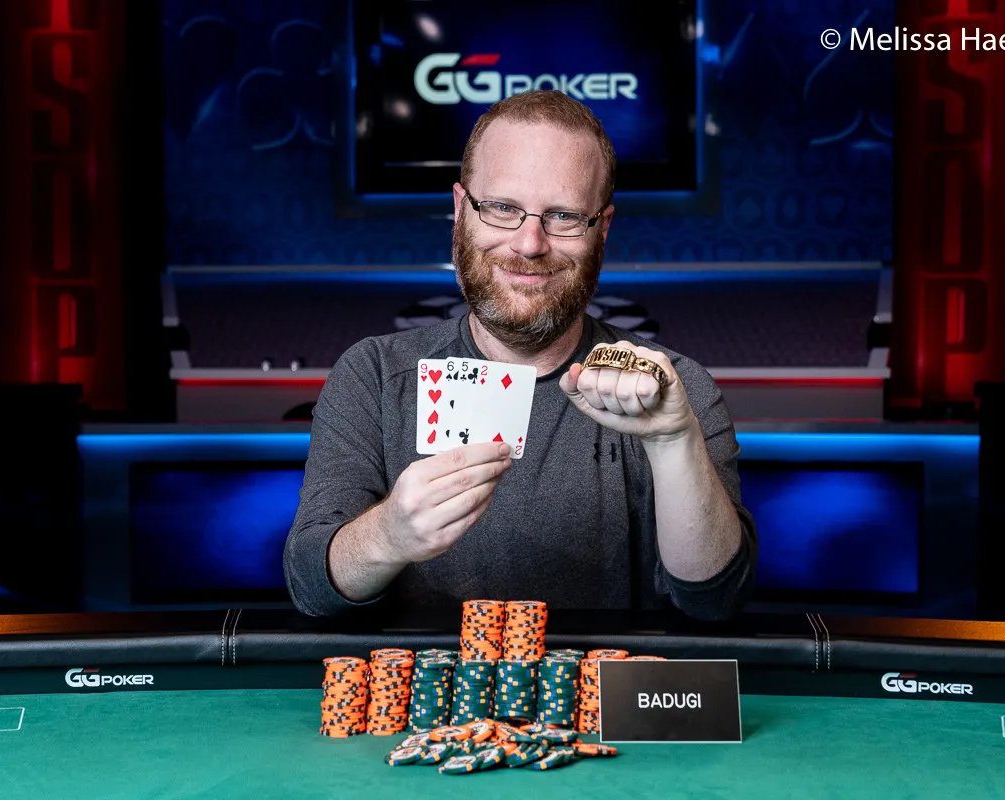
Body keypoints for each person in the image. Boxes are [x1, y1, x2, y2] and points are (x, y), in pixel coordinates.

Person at [284, 90, 757, 619]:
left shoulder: (671, 391)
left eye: (563, 216)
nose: (530, 243)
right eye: (503, 208)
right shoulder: (374, 376)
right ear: (460, 210)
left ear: (602, 228)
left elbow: (716, 601)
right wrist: (388, 535)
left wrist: (673, 441)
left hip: (609, 677)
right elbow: (311, 586)